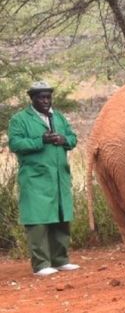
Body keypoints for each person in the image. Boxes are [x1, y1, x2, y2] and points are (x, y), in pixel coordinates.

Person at [8, 81, 80, 276]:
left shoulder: (58, 117)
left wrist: (63, 139)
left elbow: (73, 138)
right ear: (32, 99)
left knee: (61, 217)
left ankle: (60, 260)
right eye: (41, 97)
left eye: (48, 97)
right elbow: (15, 144)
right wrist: (41, 140)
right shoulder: (20, 119)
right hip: (35, 178)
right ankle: (41, 265)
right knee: (38, 221)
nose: (46, 101)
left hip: (59, 176)